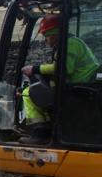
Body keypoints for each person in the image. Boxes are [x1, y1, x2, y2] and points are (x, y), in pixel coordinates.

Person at [20, 14, 100, 143]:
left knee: (27, 93)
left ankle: (40, 133)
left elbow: (62, 69)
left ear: (54, 34)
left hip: (81, 88)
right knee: (46, 93)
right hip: (81, 85)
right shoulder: (70, 43)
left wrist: (34, 69)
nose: (45, 40)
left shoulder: (69, 44)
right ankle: (50, 128)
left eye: (46, 36)